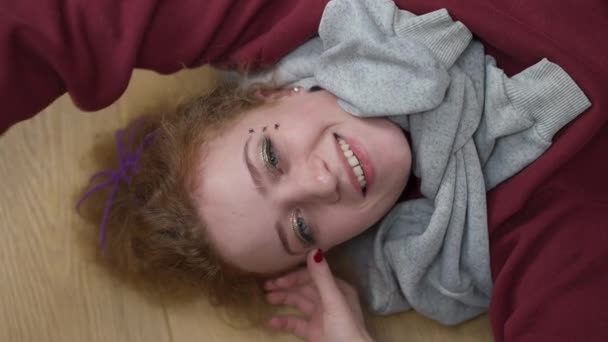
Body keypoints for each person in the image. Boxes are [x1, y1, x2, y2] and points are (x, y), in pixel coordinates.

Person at [3, 0, 607, 341]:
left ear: (269, 95)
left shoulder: (292, 15)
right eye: (301, 229)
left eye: (270, 157)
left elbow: (53, 22)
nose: (322, 184)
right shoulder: (518, 228)